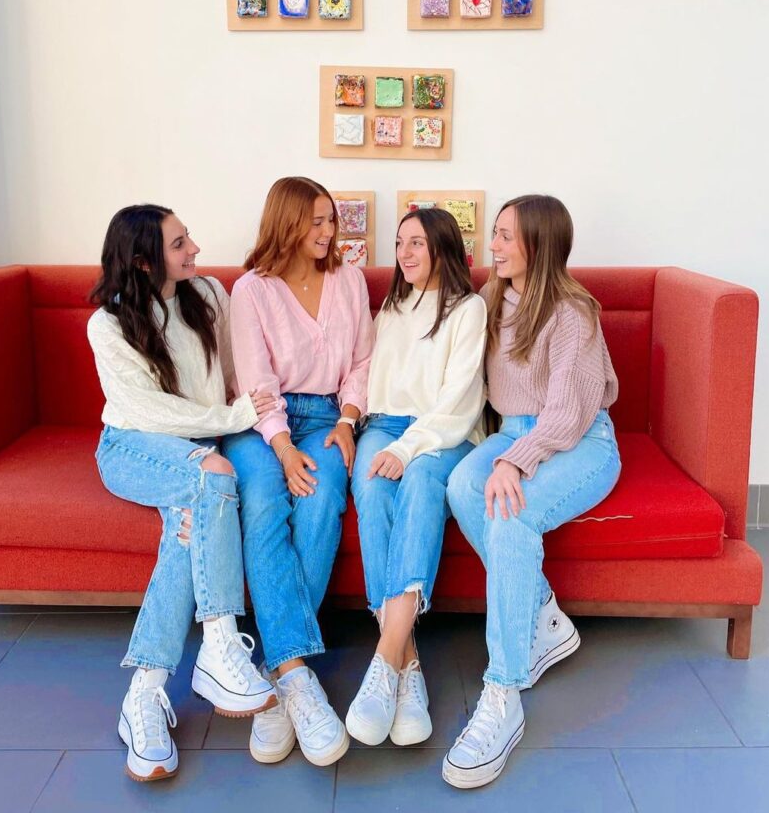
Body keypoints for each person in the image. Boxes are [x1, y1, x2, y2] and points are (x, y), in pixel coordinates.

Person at [87, 204, 277, 783]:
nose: (194, 248)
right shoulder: (109, 324)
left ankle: (144, 692)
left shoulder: (210, 297)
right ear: (144, 262)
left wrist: (261, 419)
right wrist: (231, 414)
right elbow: (145, 410)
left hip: (198, 447)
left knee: (188, 523)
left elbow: (242, 368)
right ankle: (220, 641)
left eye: (188, 235)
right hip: (134, 447)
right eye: (179, 243)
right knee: (214, 477)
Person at [443, 195, 621, 790]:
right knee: (463, 484)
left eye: (505, 237)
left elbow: (568, 412)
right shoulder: (495, 297)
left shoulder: (573, 311)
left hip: (580, 442)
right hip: (518, 431)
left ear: (538, 246)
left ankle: (504, 689)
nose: (492, 246)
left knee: (510, 515)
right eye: (493, 234)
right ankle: (544, 612)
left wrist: (515, 463)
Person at [222, 177, 373, 768]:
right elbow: (257, 384)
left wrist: (350, 422)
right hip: (263, 425)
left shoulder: (350, 280)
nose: (327, 232)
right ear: (284, 223)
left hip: (330, 419)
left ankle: (278, 672)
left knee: (322, 500)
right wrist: (283, 450)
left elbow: (362, 360)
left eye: (330, 220)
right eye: (315, 221)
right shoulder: (251, 291)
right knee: (264, 506)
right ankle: (298, 677)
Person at [345, 208, 486, 748]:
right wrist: (356, 426)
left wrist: (409, 448)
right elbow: (370, 377)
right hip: (384, 423)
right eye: (400, 243)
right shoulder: (393, 304)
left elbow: (458, 402)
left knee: (425, 483)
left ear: (443, 248)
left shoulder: (468, 308)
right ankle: (409, 668)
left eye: (417, 244)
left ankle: (383, 661)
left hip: (443, 431)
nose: (404, 254)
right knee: (372, 484)